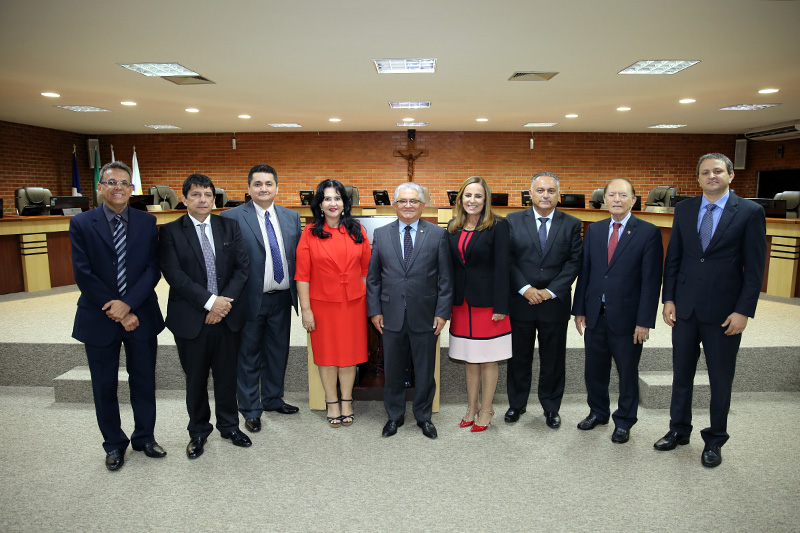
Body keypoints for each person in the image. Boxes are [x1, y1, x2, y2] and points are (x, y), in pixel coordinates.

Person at [656, 153, 766, 468]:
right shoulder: (685, 209)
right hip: (685, 308)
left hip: (724, 312)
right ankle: (679, 430)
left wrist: (743, 311)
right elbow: (674, 257)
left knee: (720, 379)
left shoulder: (749, 212)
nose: (711, 176)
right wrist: (668, 299)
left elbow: (754, 269)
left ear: (731, 175)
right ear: (698, 178)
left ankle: (715, 439)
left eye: (718, 171)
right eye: (705, 172)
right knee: (681, 375)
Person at [69, 161, 166, 471]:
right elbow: (83, 273)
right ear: (100, 187)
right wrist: (118, 309)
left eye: (124, 183)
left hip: (141, 314)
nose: (118, 188)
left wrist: (129, 305)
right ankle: (113, 444)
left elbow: (152, 269)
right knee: (104, 385)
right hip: (99, 317)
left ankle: (145, 437)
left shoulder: (147, 222)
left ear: (131, 188)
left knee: (144, 380)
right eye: (111, 182)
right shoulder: (81, 223)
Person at [159, 174, 251, 459]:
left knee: (227, 376)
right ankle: (198, 432)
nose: (202, 200)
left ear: (214, 198)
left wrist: (222, 305)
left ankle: (229, 426)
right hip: (191, 318)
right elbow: (175, 275)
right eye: (196, 194)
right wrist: (210, 303)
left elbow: (242, 268)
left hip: (228, 316)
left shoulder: (229, 226)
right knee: (196, 379)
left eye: (207, 195)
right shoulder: (170, 231)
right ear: (184, 199)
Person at [572, 178, 663, 443]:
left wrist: (644, 321)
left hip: (628, 318)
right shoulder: (595, 230)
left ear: (633, 200)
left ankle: (624, 421)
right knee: (594, 370)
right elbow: (586, 272)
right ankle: (598, 412)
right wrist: (579, 309)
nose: (617, 199)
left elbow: (651, 281)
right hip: (595, 315)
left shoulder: (648, 232)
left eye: (623, 195)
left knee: (627, 373)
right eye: (612, 194)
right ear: (605, 199)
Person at [366, 182, 453, 439]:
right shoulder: (381, 234)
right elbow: (374, 278)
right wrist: (375, 311)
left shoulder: (437, 234)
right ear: (394, 205)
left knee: (425, 371)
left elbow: (446, 279)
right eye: (403, 201)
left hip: (426, 315)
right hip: (390, 314)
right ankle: (394, 416)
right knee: (393, 369)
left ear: (423, 205)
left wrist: (442, 313)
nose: (408, 205)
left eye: (413, 201)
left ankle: (423, 417)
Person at [221, 164, 302, 433]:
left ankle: (273, 398)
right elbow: (226, 262)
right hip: (248, 299)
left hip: (283, 297)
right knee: (249, 355)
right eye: (257, 184)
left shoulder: (291, 217)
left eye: (268, 183)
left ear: (277, 187)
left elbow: (297, 256)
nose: (263, 188)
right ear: (249, 188)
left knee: (278, 352)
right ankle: (250, 408)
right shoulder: (231, 217)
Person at [505, 172, 583, 429]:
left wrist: (550, 291)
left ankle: (551, 407)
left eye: (551, 191)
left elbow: (574, 262)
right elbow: (508, 259)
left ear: (558, 195)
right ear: (531, 194)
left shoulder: (572, 224)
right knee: (519, 357)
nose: (545, 195)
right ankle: (517, 403)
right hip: (521, 301)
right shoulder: (512, 221)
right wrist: (525, 288)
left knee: (553, 359)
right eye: (540, 190)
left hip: (554, 304)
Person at [295, 180, 372, 427]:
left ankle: (347, 400)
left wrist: (364, 299)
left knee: (349, 355)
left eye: (337, 198)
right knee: (327, 355)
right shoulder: (309, 233)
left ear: (344, 203)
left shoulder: (357, 230)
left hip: (353, 304)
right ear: (319, 204)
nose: (332, 203)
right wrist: (306, 310)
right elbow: (302, 276)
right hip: (322, 306)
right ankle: (331, 401)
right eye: (327, 198)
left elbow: (366, 271)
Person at [446, 176, 511, 432]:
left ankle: (486, 409)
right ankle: (471, 407)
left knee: (488, 360)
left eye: (478, 196)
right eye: (468, 195)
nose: (472, 200)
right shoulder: (453, 226)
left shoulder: (498, 226)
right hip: (462, 305)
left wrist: (501, 305)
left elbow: (503, 267)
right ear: (460, 198)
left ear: (486, 200)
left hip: (488, 305)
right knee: (470, 359)